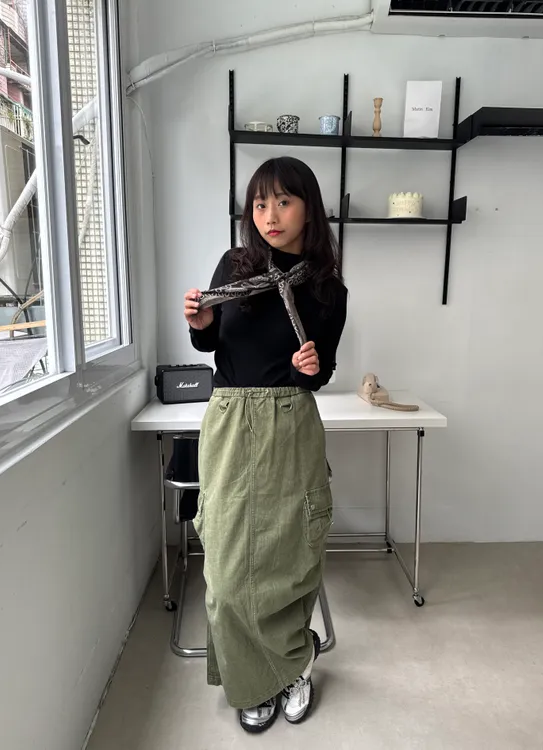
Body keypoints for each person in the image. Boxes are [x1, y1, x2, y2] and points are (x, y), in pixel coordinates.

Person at [184, 156, 348, 734]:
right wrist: (201, 325)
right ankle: (253, 677)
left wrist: (311, 367)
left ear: (308, 209)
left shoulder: (327, 289)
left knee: (289, 557)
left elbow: (319, 373)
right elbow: (213, 345)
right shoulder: (235, 267)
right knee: (228, 570)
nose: (269, 215)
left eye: (282, 201)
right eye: (259, 204)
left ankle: (294, 665)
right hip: (230, 421)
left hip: (290, 422)